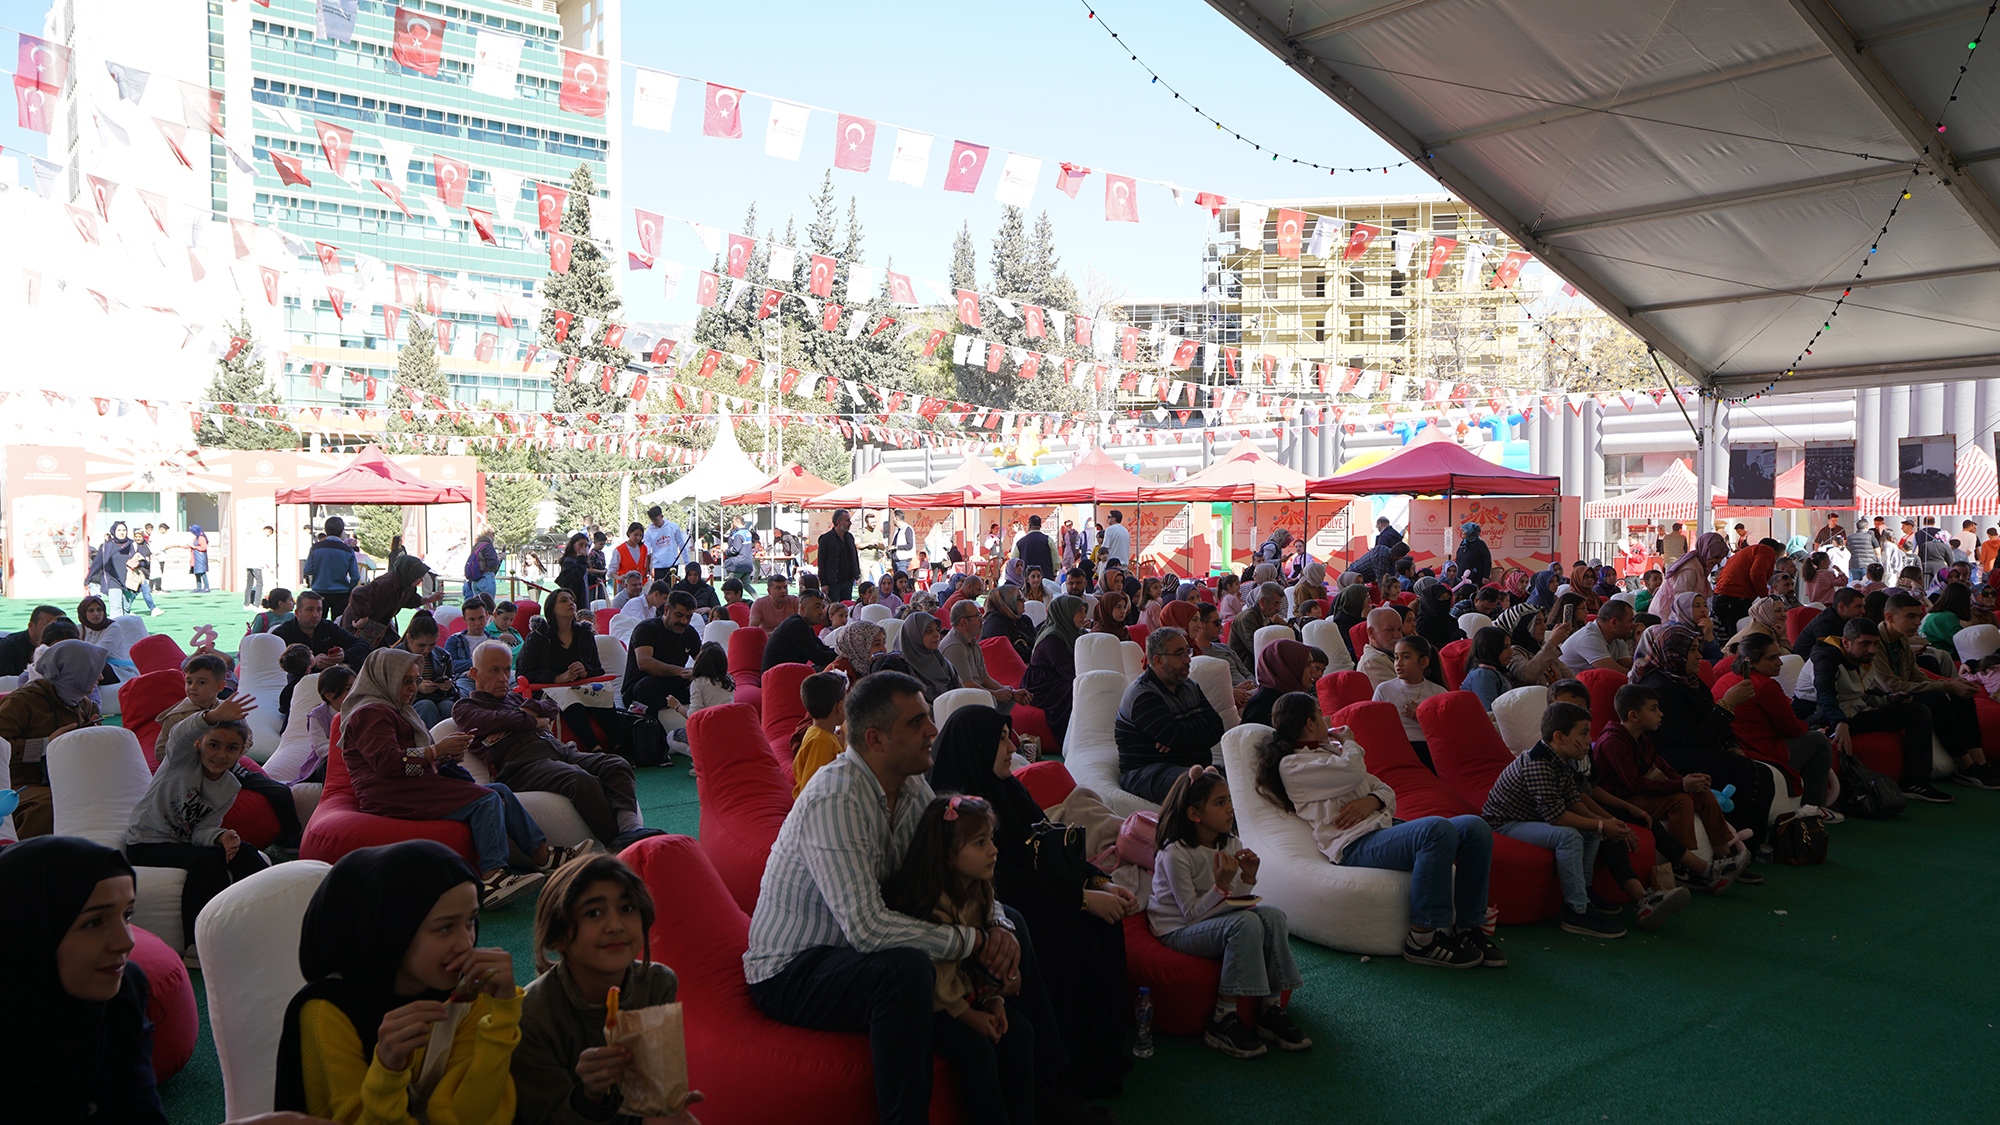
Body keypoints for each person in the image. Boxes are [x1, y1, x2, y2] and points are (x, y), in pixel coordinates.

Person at [745, 671, 1106, 1125]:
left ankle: (1050, 1089)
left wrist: (996, 925)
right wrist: (973, 942)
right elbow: (867, 929)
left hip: (868, 954)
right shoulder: (835, 798)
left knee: (1012, 933)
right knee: (903, 972)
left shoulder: (910, 783)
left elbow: (952, 871)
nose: (933, 730)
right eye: (917, 722)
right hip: (796, 969)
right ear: (875, 739)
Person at [926, 705, 1135, 1096]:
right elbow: (1001, 882)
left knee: (1105, 924)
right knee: (1069, 935)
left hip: (1041, 896)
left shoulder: (1008, 789)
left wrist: (1099, 881)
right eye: (1001, 738)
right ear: (978, 747)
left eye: (1010, 735)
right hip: (1000, 912)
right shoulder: (954, 811)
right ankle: (1070, 1068)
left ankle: (1102, 1050)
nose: (1012, 746)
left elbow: (1051, 845)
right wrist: (1081, 900)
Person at [273, 840, 525, 1122]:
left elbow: (467, 1117)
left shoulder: (468, 992)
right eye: (445, 927)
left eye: (471, 921)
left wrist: (502, 1018)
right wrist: (388, 1070)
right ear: (390, 930)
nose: (465, 943)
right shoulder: (330, 1011)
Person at [1251, 693, 1502, 969]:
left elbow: (1386, 790)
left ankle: (1469, 928)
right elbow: (1353, 771)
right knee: (1436, 829)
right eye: (1320, 713)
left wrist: (1370, 801)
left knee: (1475, 828)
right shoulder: (1294, 765)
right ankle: (1423, 939)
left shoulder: (1330, 753)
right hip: (1355, 843)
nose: (1327, 719)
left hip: (1383, 828)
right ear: (1310, 724)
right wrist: (1349, 741)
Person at [342, 648, 588, 909]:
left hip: (407, 784)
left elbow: (408, 762)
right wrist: (436, 750)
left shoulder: (396, 709)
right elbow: (387, 762)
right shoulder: (370, 713)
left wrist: (444, 756)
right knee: (487, 799)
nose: (412, 688)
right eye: (405, 681)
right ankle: (493, 878)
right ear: (384, 678)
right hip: (388, 792)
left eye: (415, 681)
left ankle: (543, 857)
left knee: (500, 790)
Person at [878, 791, 1042, 1122]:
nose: (993, 851)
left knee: (1021, 1034)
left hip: (964, 994)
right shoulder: (932, 902)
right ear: (949, 855)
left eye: (990, 839)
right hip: (934, 1005)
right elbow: (938, 983)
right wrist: (972, 1016)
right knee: (977, 1052)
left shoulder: (980, 888)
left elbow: (980, 967)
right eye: (980, 843)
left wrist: (995, 1000)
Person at [513, 853, 699, 1125]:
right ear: (559, 936)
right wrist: (590, 1096)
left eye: (627, 908)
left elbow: (653, 1097)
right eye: (594, 913)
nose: (615, 926)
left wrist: (667, 1104)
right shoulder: (531, 1014)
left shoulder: (657, 985)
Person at [0, 836, 169, 1124]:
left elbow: (141, 1112)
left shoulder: (123, 992)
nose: (125, 942)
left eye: (127, 915)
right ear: (31, 931)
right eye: (93, 922)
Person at [1147, 766, 1309, 1059]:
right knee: (1245, 924)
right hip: (1176, 930)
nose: (1230, 810)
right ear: (1195, 814)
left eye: (1229, 801)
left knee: (1273, 916)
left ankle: (1271, 1009)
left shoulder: (1230, 843)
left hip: (1213, 921)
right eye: (1220, 803)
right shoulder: (1175, 853)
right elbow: (1191, 915)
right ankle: (1223, 1019)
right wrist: (1220, 886)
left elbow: (1236, 902)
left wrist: (1247, 878)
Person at [1483, 703, 1660, 938]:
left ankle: (1585, 893)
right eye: (1583, 733)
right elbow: (1557, 817)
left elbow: (1573, 800)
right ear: (1559, 737)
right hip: (1505, 823)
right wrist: (1600, 824)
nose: (1589, 740)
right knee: (1568, 834)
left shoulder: (1561, 759)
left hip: (1530, 818)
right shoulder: (1539, 764)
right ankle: (1577, 912)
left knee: (1590, 830)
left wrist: (1604, 822)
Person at [124, 693, 273, 961]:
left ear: (242, 751)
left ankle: (262, 919)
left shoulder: (230, 786)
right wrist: (213, 716)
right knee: (206, 863)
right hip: (146, 843)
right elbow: (180, 733)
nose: (221, 755)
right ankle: (198, 944)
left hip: (184, 844)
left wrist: (221, 837)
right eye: (213, 745)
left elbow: (203, 829)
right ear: (198, 743)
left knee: (246, 852)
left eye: (231, 748)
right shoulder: (180, 760)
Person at [454, 642, 644, 848]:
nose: (502, 677)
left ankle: (630, 829)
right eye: (494, 670)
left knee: (616, 764)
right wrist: (534, 720)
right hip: (522, 765)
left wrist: (521, 716)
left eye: (507, 669)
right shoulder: (465, 707)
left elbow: (551, 706)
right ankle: (620, 845)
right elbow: (494, 720)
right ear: (475, 673)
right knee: (579, 780)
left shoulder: (514, 699)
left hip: (560, 751)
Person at [1628, 622, 1775, 861]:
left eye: (1699, 648)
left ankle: (1753, 842)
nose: (1700, 655)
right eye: (1693, 650)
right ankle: (1737, 849)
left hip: (1697, 749)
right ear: (1674, 652)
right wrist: (1728, 704)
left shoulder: (1686, 679)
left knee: (1756, 771)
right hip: (1669, 756)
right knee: (1734, 769)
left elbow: (1711, 715)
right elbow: (1692, 738)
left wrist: (1732, 744)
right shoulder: (1659, 688)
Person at [1590, 685, 1750, 896]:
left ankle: (1724, 858)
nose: (1661, 714)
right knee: (1680, 799)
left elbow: (1663, 767)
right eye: (1654, 709)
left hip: (1641, 793)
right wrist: (1682, 785)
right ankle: (1684, 869)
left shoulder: (1641, 738)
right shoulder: (1613, 742)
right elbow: (1633, 785)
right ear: (1634, 715)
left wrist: (1690, 780)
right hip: (1624, 800)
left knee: (1702, 793)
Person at [153, 650, 305, 849]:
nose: (193, 688)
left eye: (201, 682)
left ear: (220, 686)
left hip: (229, 768)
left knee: (280, 790)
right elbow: (161, 751)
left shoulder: (230, 709)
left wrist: (233, 754)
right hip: (193, 776)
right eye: (189, 681)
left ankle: (291, 836)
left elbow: (247, 738)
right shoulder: (176, 716)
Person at [1872, 591, 1995, 796]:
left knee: (1961, 694)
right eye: (1910, 616)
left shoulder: (1900, 640)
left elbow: (1917, 675)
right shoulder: (1875, 642)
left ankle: (1979, 762)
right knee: (1936, 699)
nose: (1916, 622)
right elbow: (1891, 686)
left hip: (1901, 692)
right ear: (1890, 617)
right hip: (1882, 699)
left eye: (1918, 616)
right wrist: (1945, 686)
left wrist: (1952, 683)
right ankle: (1964, 766)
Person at [1712, 633, 1836, 814]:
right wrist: (1807, 726)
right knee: (1820, 740)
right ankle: (1813, 808)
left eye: (1778, 655)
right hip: (1758, 751)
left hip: (1732, 750)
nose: (1780, 662)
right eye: (1772, 658)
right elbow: (1791, 729)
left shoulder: (1726, 679)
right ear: (1751, 661)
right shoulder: (1765, 686)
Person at [0, 639, 108, 839]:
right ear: (75, 671)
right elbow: (1, 746)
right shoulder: (22, 702)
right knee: (49, 807)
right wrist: (46, 745)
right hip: (19, 784)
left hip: (67, 778)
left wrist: (92, 737)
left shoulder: (84, 705)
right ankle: (24, 863)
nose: (100, 677)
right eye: (94, 670)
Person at [1115, 628, 1228, 803]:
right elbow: (1174, 737)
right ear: (1158, 660)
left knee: (1241, 778)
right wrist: (1192, 727)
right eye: (1179, 654)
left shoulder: (1190, 686)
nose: (1188, 660)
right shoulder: (1142, 695)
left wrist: (1181, 730)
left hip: (1190, 766)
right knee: (1201, 786)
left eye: (1187, 652)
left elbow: (1217, 726)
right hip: (1148, 772)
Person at [942, 600, 1030, 715]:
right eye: (977, 616)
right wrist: (995, 694)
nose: (982, 619)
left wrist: (1010, 692)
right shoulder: (954, 646)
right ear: (963, 622)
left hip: (974, 694)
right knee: (993, 699)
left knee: (1008, 694)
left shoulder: (972, 641)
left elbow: (985, 679)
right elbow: (966, 686)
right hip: (959, 702)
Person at [1020, 595, 1085, 740]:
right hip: (1041, 683)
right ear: (1066, 613)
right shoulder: (1052, 638)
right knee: (1074, 690)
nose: (1084, 615)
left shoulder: (1075, 632)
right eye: (1079, 611)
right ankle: (1070, 737)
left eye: (1084, 610)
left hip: (1057, 675)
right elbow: (1068, 671)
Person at [1240, 639, 1325, 726]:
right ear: (1286, 669)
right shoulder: (1262, 706)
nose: (1313, 670)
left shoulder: (1296, 696)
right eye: (1307, 665)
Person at [894, 611, 963, 703]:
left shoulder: (943, 663)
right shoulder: (902, 669)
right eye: (929, 631)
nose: (937, 635)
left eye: (937, 629)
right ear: (914, 634)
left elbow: (961, 692)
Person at [1557, 599, 1638, 674]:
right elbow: (1617, 673)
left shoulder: (1617, 638)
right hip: (1568, 687)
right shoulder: (1589, 638)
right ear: (1614, 623)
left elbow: (1629, 666)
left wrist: (1640, 639)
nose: (1633, 626)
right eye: (1630, 621)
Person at [1225, 581, 1286, 674]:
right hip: (1245, 669)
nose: (1278, 609)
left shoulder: (1265, 616)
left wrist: (1283, 625)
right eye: (1275, 604)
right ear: (1262, 602)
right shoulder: (1247, 618)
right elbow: (1257, 649)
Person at [1458, 626, 1520, 709]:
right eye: (1505, 647)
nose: (1511, 652)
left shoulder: (1495, 672)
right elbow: (1489, 712)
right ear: (1491, 649)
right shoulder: (1483, 675)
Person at [88, 521, 140, 616]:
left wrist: (138, 563)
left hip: (129, 581)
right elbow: (97, 564)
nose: (122, 532)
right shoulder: (107, 546)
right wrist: (88, 579)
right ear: (113, 531)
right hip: (113, 580)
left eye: (124, 530)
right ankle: (115, 630)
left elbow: (145, 560)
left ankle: (125, 629)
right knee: (115, 608)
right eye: (119, 530)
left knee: (126, 609)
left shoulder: (133, 545)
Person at [0, 604, 64, 677]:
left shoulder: (65, 647)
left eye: (62, 627)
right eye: (49, 627)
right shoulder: (7, 648)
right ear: (31, 626)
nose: (56, 631)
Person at [981, 586, 1037, 664]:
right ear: (1006, 601)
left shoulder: (1024, 620)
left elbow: (1038, 642)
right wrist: (1032, 654)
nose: (1024, 601)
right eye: (1019, 598)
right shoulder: (995, 621)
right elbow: (1003, 649)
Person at [817, 508, 862, 603]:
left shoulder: (849, 537)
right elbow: (821, 562)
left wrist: (856, 574)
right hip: (833, 582)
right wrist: (824, 583)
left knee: (846, 606)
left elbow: (854, 556)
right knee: (832, 608)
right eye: (847, 520)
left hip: (848, 580)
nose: (850, 523)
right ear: (838, 522)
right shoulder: (825, 539)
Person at [1356, 606, 1404, 689]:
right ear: (1371, 633)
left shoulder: (1390, 654)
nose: (1398, 635)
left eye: (1399, 629)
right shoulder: (1371, 663)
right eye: (1390, 630)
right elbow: (1401, 697)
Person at [642, 506, 689, 583]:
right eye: (652, 520)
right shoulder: (648, 533)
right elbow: (646, 550)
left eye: (656, 519)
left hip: (673, 564)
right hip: (658, 567)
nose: (654, 522)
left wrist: (687, 563)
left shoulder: (673, 527)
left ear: (661, 516)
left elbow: (682, 545)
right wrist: (646, 565)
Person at [611, 523, 651, 591]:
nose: (638, 538)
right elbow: (612, 570)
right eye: (635, 535)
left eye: (640, 535)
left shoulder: (644, 548)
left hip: (641, 585)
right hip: (625, 586)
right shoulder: (619, 550)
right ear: (629, 533)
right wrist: (618, 577)